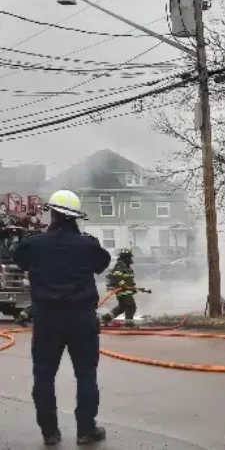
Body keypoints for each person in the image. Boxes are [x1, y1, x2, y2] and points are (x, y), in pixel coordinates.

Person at [12, 190, 111, 446]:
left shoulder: (33, 244)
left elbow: (19, 258)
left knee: (44, 375)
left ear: (52, 212)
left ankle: (50, 433)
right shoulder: (88, 244)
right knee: (86, 374)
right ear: (76, 216)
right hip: (81, 318)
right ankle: (86, 430)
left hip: (46, 319)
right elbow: (103, 262)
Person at [101, 248, 138, 328]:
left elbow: (129, 278)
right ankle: (129, 324)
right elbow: (117, 278)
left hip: (126, 290)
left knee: (122, 307)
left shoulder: (126, 267)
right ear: (125, 257)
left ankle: (106, 317)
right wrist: (124, 285)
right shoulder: (120, 267)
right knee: (130, 306)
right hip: (123, 291)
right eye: (129, 257)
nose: (130, 259)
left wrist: (133, 287)